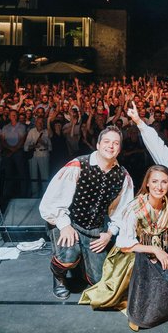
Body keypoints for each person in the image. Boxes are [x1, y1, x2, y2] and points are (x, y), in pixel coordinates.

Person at [80, 165, 168, 331]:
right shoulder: (135, 208)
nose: (159, 186)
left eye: (164, 182)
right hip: (132, 254)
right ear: (147, 183)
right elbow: (125, 245)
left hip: (160, 254)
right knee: (140, 274)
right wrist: (154, 250)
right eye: (154, 181)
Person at [39, 126, 134, 299]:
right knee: (67, 257)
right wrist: (65, 226)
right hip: (70, 224)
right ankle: (59, 276)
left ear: (119, 149)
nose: (111, 146)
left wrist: (109, 233)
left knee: (98, 280)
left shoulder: (123, 175)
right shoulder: (78, 165)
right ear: (97, 145)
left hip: (95, 230)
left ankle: (82, 259)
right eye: (106, 142)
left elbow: (123, 212)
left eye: (115, 143)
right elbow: (50, 202)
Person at [24, 116, 51, 196]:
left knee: (45, 176)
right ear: (35, 123)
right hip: (34, 155)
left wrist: (42, 142)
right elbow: (25, 147)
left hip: (44, 154)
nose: (40, 124)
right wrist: (33, 146)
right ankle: (34, 195)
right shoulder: (31, 131)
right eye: (39, 122)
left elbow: (50, 147)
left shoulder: (47, 132)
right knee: (33, 176)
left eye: (42, 122)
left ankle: (45, 195)